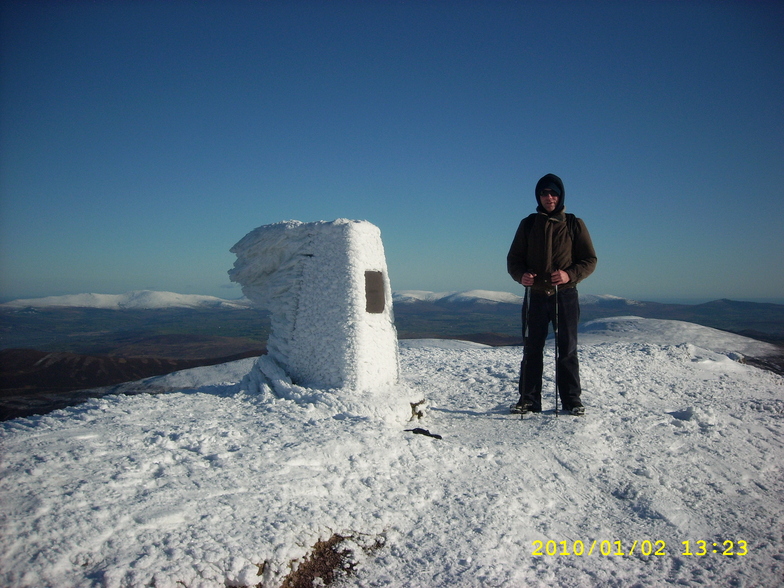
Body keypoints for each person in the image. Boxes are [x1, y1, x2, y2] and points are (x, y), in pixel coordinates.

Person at [506, 173, 597, 416]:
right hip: (535, 296)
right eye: (544, 193)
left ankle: (571, 400)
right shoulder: (528, 224)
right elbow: (514, 259)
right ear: (538, 196)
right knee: (532, 348)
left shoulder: (574, 224)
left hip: (564, 295)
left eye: (553, 193)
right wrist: (521, 276)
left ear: (561, 196)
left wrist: (569, 275)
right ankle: (528, 400)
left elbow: (589, 260)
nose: (549, 197)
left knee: (566, 349)